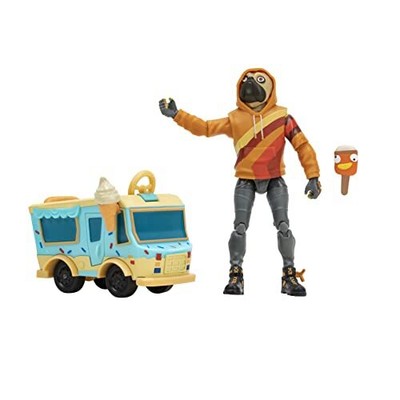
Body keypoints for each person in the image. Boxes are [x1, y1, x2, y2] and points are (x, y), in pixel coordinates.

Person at [159, 68, 321, 296]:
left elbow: (302, 145)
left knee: (283, 226)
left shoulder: (283, 117)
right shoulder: (235, 119)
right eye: (247, 79)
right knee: (240, 227)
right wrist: (178, 115)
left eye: (259, 80)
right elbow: (205, 128)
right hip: (246, 179)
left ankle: (289, 274)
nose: (250, 83)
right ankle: (235, 274)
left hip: (275, 178)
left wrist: (313, 176)